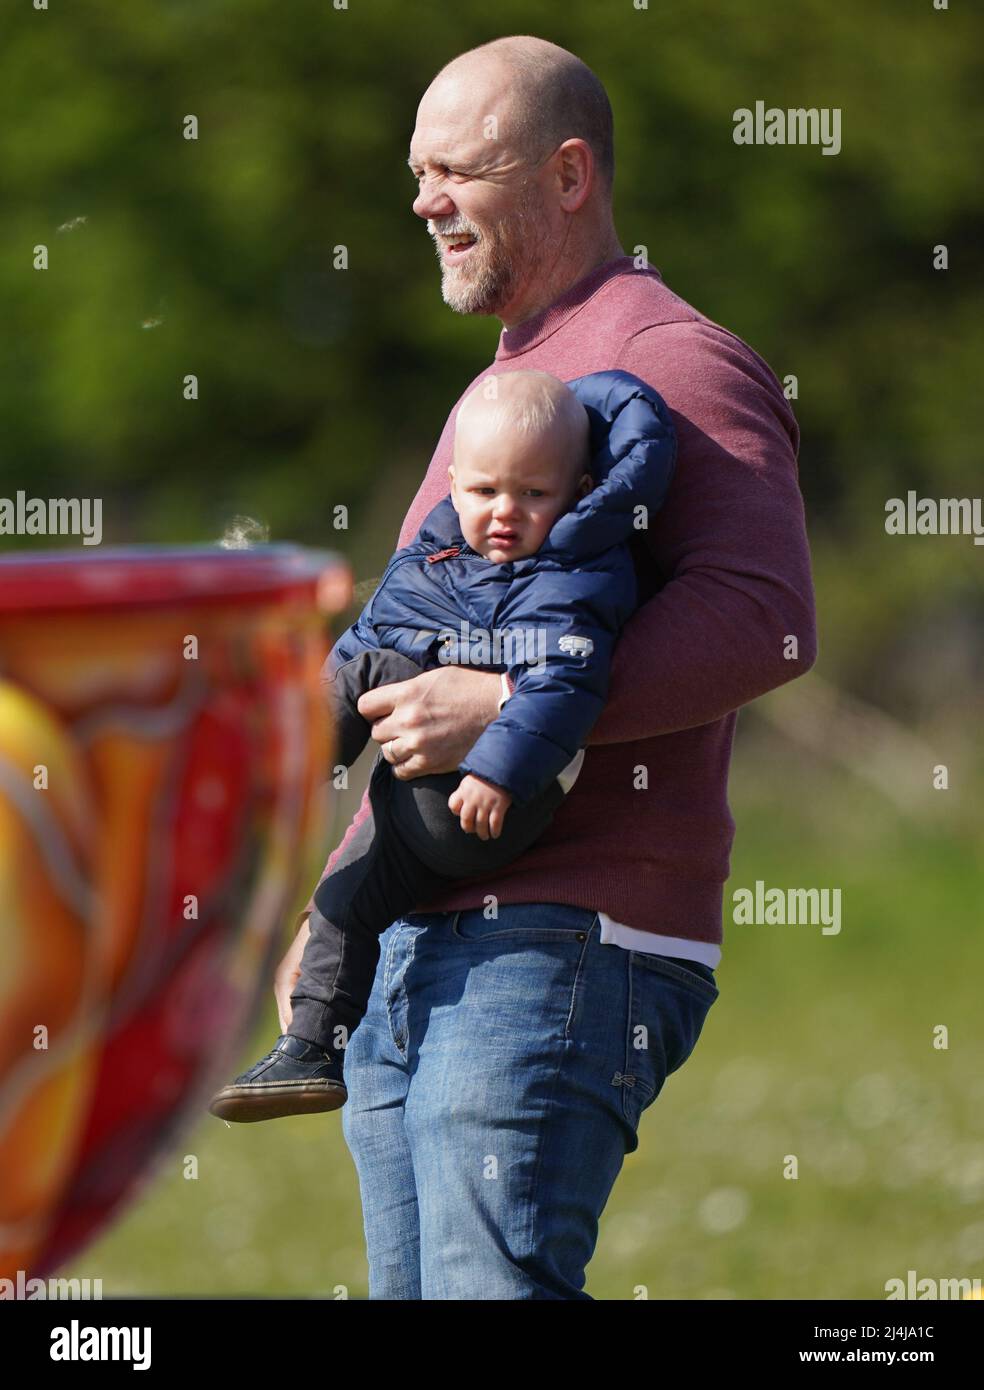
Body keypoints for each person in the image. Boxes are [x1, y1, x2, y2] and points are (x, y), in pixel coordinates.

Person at [269, 35, 816, 1299]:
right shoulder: (517, 381)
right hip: (423, 938)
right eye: (416, 173)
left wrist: (514, 710)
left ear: (570, 175)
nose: (422, 202)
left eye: (456, 168)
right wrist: (337, 899)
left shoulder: (675, 362)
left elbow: (768, 619)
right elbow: (410, 666)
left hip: (564, 939)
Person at [208, 366, 676, 1122]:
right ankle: (310, 1047)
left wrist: (498, 767)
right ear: (452, 485)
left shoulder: (572, 572)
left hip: (492, 802)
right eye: (486, 491)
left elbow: (566, 681)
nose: (503, 512)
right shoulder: (430, 563)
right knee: (341, 903)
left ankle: (280, 780)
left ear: (580, 489)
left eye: (533, 494)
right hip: (409, 808)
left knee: (371, 662)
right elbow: (366, 640)